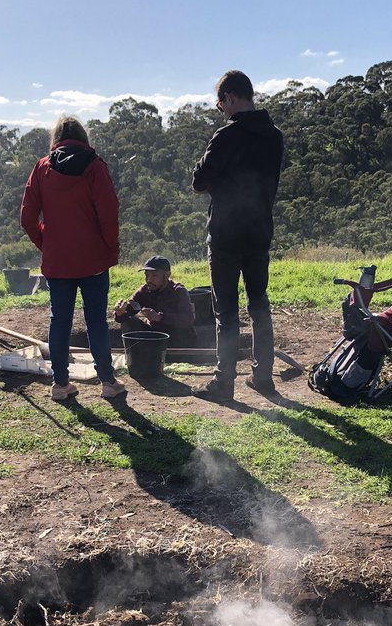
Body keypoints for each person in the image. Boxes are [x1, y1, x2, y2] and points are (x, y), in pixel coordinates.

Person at [191, 70, 285, 400]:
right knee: (259, 306)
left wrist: (219, 183)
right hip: (259, 232)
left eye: (221, 105)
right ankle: (263, 378)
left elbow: (199, 182)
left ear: (230, 98)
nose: (222, 111)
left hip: (226, 235)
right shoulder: (275, 136)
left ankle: (223, 382)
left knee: (226, 313)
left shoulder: (226, 137)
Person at [21, 115, 127, 402]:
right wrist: (110, 248)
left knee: (60, 320)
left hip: (58, 262)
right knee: (96, 321)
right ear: (84, 137)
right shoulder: (95, 167)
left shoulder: (42, 168)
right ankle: (107, 381)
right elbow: (109, 214)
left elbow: (27, 217)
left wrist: (47, 243)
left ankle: (60, 384)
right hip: (92, 260)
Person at [112, 255, 196, 347]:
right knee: (128, 322)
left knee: (181, 334)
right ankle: (137, 355)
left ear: (167, 275)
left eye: (154, 275)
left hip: (177, 338)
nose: (149, 280)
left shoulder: (178, 291)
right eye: (147, 275)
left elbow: (188, 318)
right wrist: (120, 313)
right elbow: (131, 308)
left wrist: (160, 317)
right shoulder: (144, 290)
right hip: (154, 335)